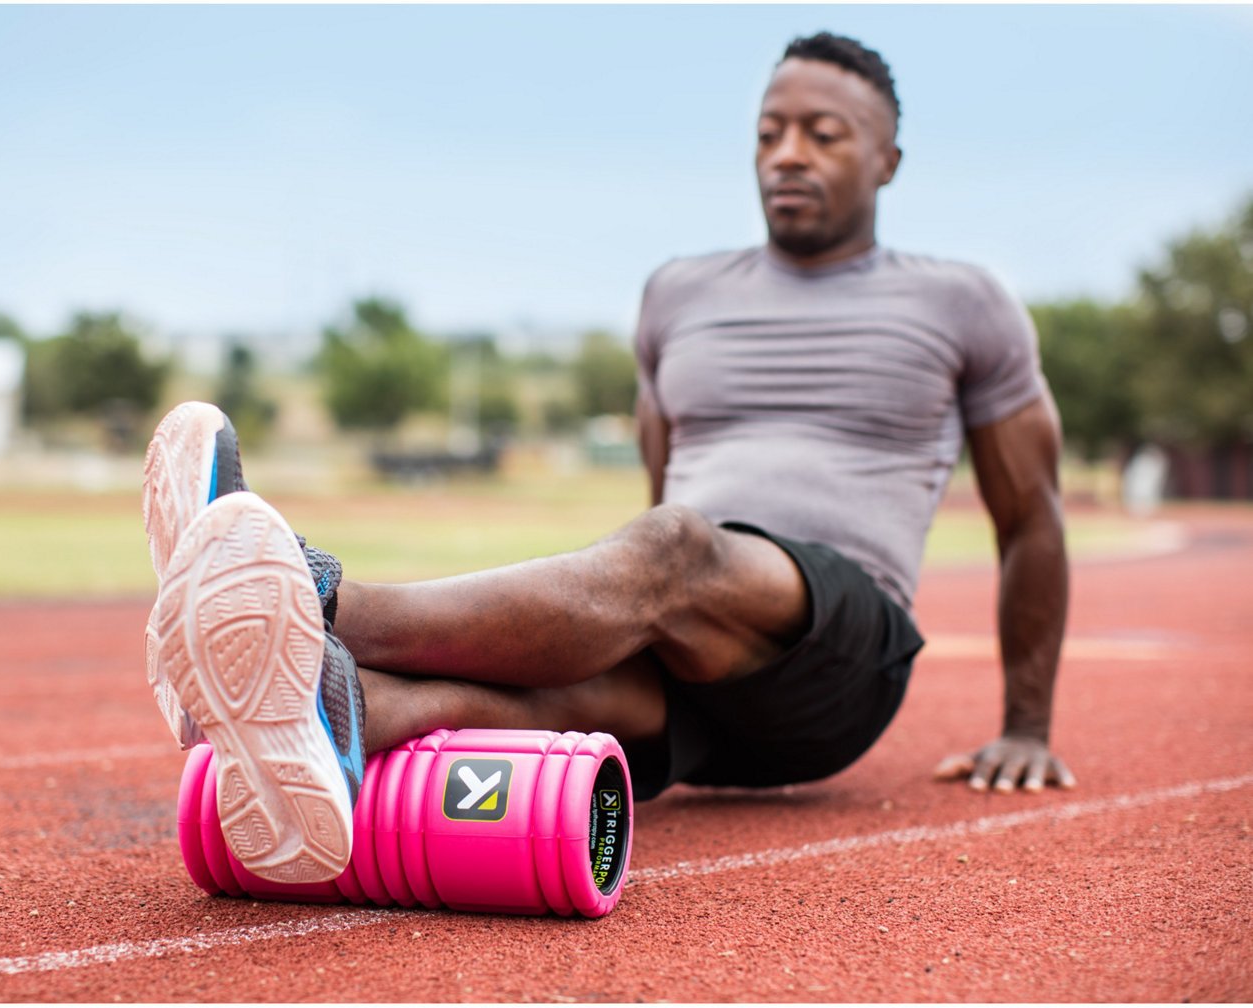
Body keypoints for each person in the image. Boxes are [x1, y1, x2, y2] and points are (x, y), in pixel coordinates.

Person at [142, 31, 1075, 886]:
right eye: (769, 132)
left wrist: (1026, 725)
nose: (788, 153)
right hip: (694, 641)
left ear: (888, 161)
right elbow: (662, 488)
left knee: (672, 545)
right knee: (512, 693)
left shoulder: (964, 301)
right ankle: (324, 713)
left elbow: (1030, 514)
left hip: (837, 652)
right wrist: (627, 620)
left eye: (823, 134)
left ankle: (303, 600)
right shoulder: (678, 292)